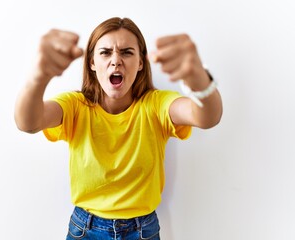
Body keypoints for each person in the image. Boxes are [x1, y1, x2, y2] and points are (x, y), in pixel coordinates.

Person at [14, 17, 222, 240]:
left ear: (141, 62)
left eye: (127, 52)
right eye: (105, 52)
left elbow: (207, 117)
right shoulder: (75, 106)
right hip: (85, 229)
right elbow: (28, 122)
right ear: (92, 62)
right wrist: (39, 75)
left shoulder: (155, 105)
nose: (116, 61)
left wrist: (199, 79)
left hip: (143, 230)